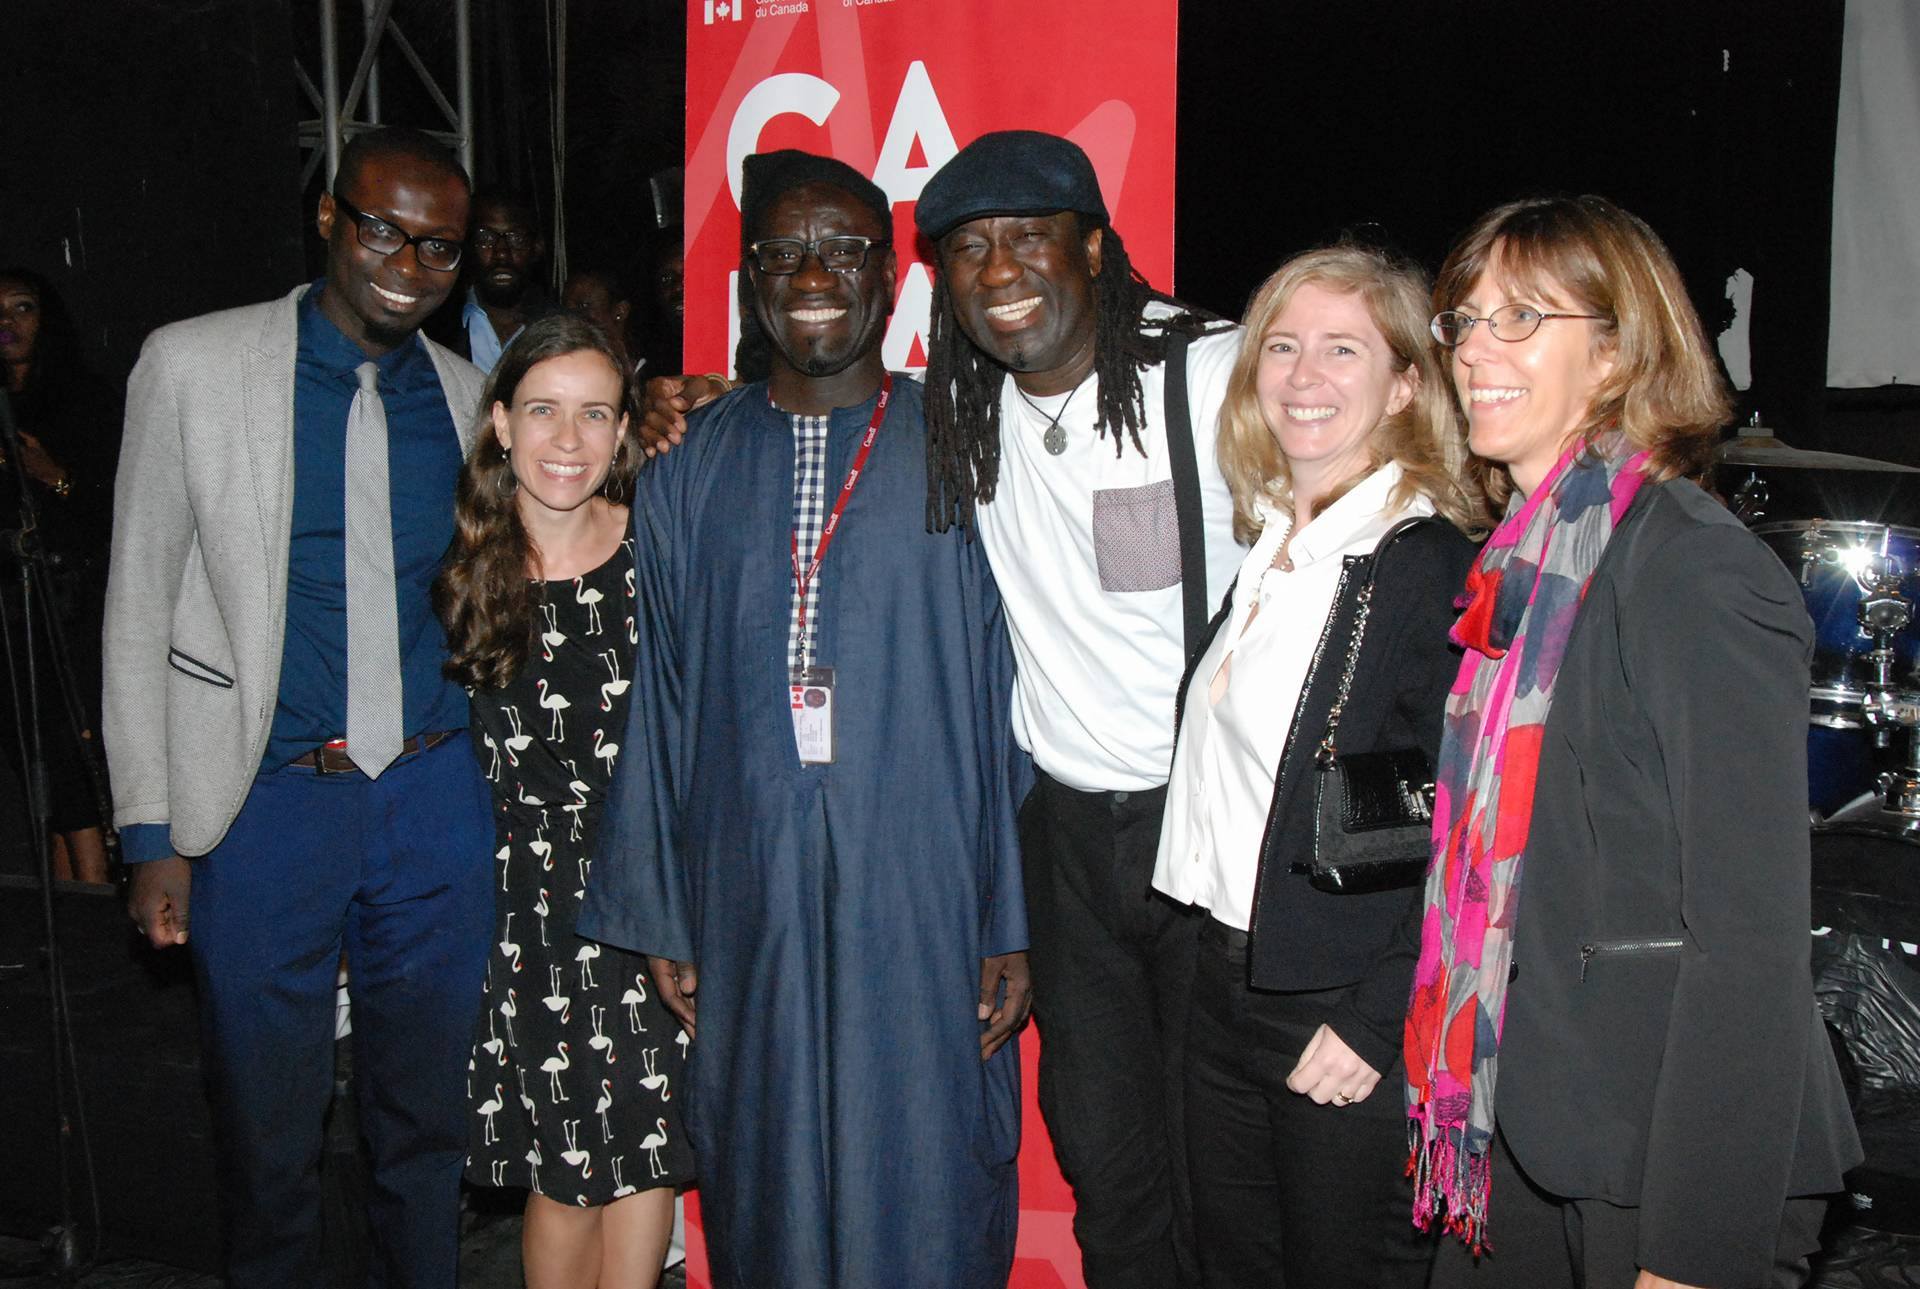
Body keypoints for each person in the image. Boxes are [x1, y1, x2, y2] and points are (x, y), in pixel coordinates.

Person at [576, 149, 1029, 1289]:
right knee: (762, 1144)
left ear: (889, 278)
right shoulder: (688, 471)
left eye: (843, 251)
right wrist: (666, 908)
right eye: (784, 253)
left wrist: (1010, 911)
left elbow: (1015, 702)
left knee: (924, 1145)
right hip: (746, 881)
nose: (814, 273)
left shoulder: (969, 448)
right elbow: (664, 692)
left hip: (924, 875)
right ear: (749, 284)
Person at [1407, 195, 1861, 1289]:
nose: (1476, 350)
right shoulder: (1518, 562)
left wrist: (1693, 1251)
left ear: (1616, 353)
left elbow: (1748, 938)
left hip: (1664, 1149)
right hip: (1525, 1112)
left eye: (1522, 319)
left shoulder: (1690, 567)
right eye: (1463, 321)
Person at [105, 126, 495, 1288]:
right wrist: (151, 829)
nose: (408, 263)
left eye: (439, 246)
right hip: (265, 802)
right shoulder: (193, 364)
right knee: (268, 1141)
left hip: (432, 796)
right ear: (328, 218)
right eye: (383, 228)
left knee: (423, 1132)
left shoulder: (472, 396)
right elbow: (135, 601)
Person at [911, 129, 1247, 1289]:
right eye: (967, 250)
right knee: (1107, 1155)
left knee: (1222, 1163)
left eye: (1028, 238)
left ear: (1095, 247)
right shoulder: (963, 411)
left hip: (1209, 830)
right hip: (1066, 838)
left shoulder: (1208, 375)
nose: (999, 272)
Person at [1151, 244, 1479, 1287]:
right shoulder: (1275, 548)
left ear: (1407, 385)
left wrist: (1379, 1009)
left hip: (1337, 995)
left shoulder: (1421, 560)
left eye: (1344, 348)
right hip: (1222, 978)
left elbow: (1463, 817)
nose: (1303, 375)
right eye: (1282, 346)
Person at [436, 314, 690, 1287]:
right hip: (522, 906)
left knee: (647, 1141)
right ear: (500, 421)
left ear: (627, 429)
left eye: (596, 413)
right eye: (543, 410)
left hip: (649, 885)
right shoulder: (457, 568)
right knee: (568, 1164)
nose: (569, 439)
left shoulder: (656, 551)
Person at [0, 267, 120, 882]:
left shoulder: (87, 402)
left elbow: (125, 512)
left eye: (22, 308)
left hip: (74, 612)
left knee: (75, 760)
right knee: (37, 770)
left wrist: (56, 476)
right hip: (11, 617)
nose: (8, 323)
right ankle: (68, 913)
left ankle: (97, 912)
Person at [430, 189, 554, 372]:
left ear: (537, 247)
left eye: (516, 238)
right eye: (486, 238)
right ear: (467, 245)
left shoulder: (562, 327)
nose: (502, 253)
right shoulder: (435, 327)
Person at [561, 267, 637, 372]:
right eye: (566, 308)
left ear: (620, 311)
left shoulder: (652, 378)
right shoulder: (565, 365)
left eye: (583, 306)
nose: (571, 316)